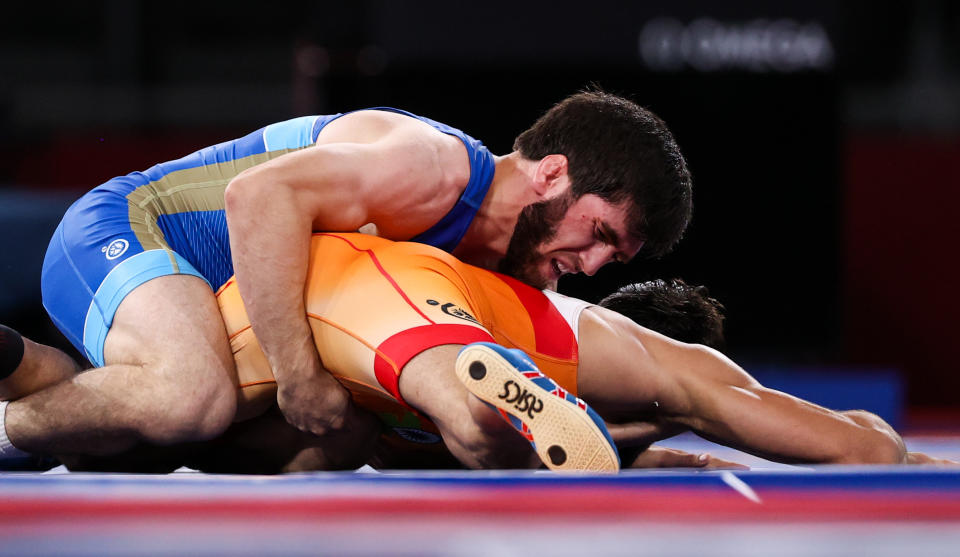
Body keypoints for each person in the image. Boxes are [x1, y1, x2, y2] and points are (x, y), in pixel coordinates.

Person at [0, 90, 693, 462]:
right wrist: (298, 372)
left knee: (337, 439)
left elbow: (417, 428)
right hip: (132, 226)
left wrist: (595, 444)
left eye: (616, 260)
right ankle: (7, 426)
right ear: (553, 173)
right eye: (599, 234)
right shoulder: (432, 167)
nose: (592, 266)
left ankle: (23, 370)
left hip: (217, 301)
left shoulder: (489, 261)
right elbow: (258, 199)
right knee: (192, 398)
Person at [201, 233, 950, 472]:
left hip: (285, 301)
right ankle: (506, 391)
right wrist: (891, 444)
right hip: (391, 306)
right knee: (470, 425)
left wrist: (651, 445)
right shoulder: (643, 352)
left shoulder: (569, 347)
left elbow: (611, 446)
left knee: (173, 426)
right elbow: (861, 452)